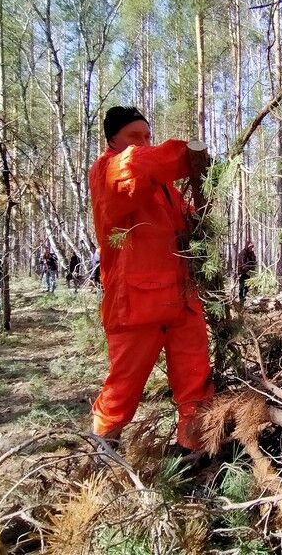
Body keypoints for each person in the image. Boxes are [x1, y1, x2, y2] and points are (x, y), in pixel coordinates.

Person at [88, 105, 213, 453]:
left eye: (146, 136)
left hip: (181, 299)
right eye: (133, 136)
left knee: (195, 380)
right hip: (135, 303)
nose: (142, 143)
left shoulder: (165, 190)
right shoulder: (108, 170)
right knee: (123, 386)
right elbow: (140, 166)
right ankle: (103, 449)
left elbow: (186, 225)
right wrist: (188, 155)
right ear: (113, 140)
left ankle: (193, 450)